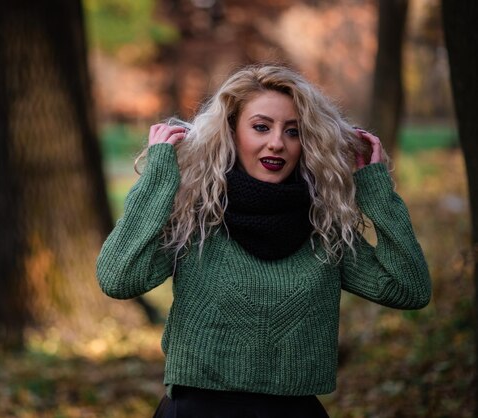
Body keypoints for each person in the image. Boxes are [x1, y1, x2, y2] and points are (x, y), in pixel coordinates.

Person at [96, 64, 431, 417]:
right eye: (260, 127)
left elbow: (409, 289)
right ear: (231, 132)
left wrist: (377, 192)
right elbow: (118, 279)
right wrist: (158, 181)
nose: (276, 143)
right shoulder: (196, 220)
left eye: (293, 131)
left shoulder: (325, 230)